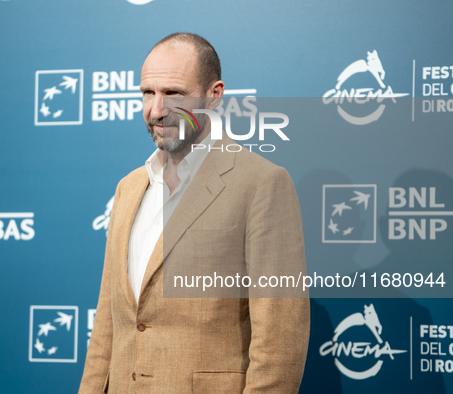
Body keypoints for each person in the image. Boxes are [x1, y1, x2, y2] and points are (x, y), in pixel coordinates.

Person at [78, 33, 309, 394]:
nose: (156, 110)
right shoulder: (129, 188)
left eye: (173, 94)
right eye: (147, 93)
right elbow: (108, 328)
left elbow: (280, 343)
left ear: (213, 95)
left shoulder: (261, 183)